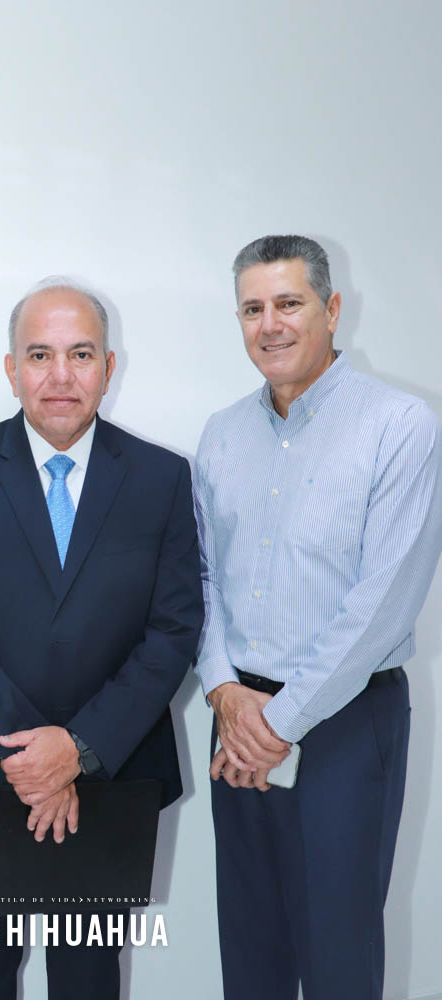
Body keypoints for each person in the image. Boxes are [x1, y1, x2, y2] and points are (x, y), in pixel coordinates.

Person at [0, 277, 203, 999]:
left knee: (88, 981)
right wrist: (33, 754)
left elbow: (173, 630)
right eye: (40, 355)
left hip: (110, 773)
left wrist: (79, 748)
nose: (60, 375)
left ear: (108, 367)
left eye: (81, 354)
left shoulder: (161, 478)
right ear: (12, 369)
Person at [193, 234, 442, 1000]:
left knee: (338, 956)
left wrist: (278, 723)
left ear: (332, 310)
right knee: (251, 951)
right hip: (236, 716)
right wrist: (224, 692)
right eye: (252, 309)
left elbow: (384, 601)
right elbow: (199, 578)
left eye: (289, 303)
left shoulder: (399, 425)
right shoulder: (222, 433)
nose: (270, 325)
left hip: (344, 722)